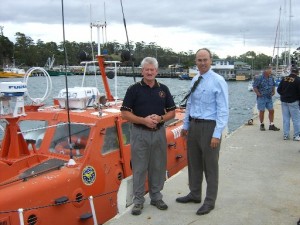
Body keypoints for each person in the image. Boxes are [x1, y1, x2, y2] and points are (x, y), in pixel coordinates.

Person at [176, 48, 229, 215]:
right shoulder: (195, 79)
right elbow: (190, 105)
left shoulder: (218, 81)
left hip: (209, 126)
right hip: (194, 125)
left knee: (210, 165)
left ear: (211, 60)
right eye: (199, 60)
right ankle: (195, 193)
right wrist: (186, 125)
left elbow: (223, 110)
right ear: (195, 61)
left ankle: (210, 201)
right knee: (194, 163)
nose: (202, 63)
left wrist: (216, 134)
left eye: (205, 59)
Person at [120, 57, 176, 216]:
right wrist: (143, 121)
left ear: (156, 71)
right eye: (147, 69)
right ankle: (138, 201)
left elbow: (172, 111)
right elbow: (124, 113)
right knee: (139, 168)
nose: (150, 72)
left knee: (158, 166)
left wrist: (160, 119)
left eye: (152, 70)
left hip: (159, 133)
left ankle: (156, 197)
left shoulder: (163, 89)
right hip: (139, 134)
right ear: (142, 71)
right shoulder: (133, 89)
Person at [252, 66, 280, 131]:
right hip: (261, 97)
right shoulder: (259, 78)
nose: (271, 71)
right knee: (262, 111)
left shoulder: (271, 78)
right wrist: (258, 94)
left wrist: (273, 91)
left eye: (271, 70)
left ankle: (271, 125)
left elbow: (273, 85)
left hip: (269, 97)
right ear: (265, 70)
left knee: (271, 110)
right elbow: (254, 87)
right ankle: (262, 124)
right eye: (270, 70)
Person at [277, 67, 300, 140]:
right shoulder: (298, 80)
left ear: (291, 71)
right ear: (297, 72)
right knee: (296, 119)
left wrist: (283, 95)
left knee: (286, 119)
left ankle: (286, 135)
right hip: (293, 101)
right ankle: (296, 135)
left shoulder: (284, 79)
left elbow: (278, 89)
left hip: (284, 101)